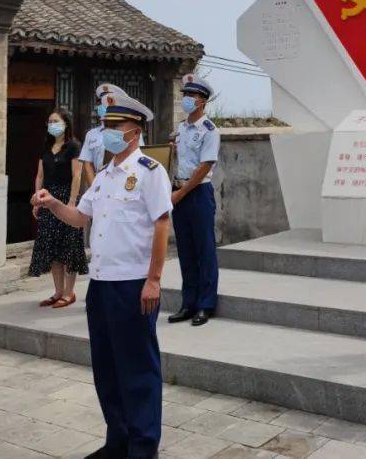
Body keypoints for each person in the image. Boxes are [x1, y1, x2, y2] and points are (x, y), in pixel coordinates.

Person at [32, 93, 172, 459]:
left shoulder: (149, 173)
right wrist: (51, 203)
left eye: (115, 127)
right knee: (107, 369)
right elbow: (80, 217)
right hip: (101, 284)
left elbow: (161, 225)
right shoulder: (105, 176)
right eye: (106, 125)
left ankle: (143, 447)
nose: (107, 133)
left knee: (138, 370)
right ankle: (118, 440)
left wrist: (154, 279)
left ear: (135, 131)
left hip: (133, 284)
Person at [167, 74, 221, 327]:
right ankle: (188, 302)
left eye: (191, 96)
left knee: (204, 250)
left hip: (198, 192)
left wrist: (180, 193)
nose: (186, 99)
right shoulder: (181, 128)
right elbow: (181, 158)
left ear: (202, 101)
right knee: (186, 250)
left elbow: (204, 166)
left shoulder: (209, 130)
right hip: (179, 189)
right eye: (185, 95)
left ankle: (206, 304)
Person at [29, 107, 88, 308]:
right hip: (48, 197)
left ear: (66, 124)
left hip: (65, 197)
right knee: (52, 247)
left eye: (56, 121)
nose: (52, 125)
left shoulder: (73, 146)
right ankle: (57, 291)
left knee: (69, 247)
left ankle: (69, 293)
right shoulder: (45, 147)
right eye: (50, 122)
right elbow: (40, 175)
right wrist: (37, 199)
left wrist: (72, 202)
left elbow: (77, 175)